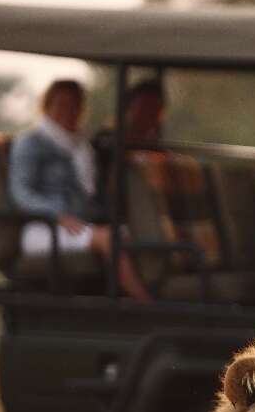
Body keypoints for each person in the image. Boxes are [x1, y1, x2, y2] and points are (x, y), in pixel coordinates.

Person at [8, 79, 152, 301]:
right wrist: (56, 215)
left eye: (75, 105)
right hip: (45, 227)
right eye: (62, 104)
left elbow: (94, 195)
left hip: (82, 224)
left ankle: (136, 296)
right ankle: (147, 306)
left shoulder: (82, 146)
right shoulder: (30, 143)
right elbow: (21, 194)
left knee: (138, 234)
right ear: (47, 106)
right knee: (109, 239)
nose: (69, 111)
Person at [93, 79, 167, 205]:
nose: (149, 113)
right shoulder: (105, 142)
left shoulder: (158, 150)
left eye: (156, 107)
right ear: (129, 107)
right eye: (144, 106)